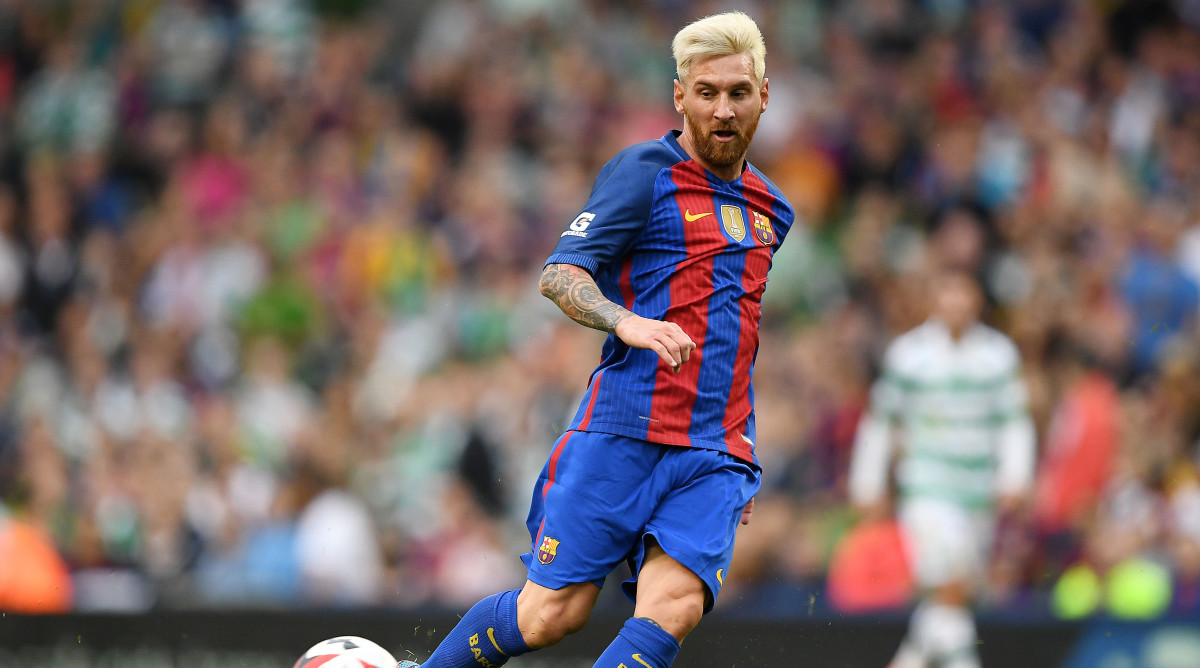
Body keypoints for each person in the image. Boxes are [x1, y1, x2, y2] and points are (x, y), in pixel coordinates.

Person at [399, 11, 793, 668]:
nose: (723, 110)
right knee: (551, 614)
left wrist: (741, 446)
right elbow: (560, 274)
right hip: (624, 428)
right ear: (680, 96)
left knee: (675, 608)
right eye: (707, 93)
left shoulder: (772, 209)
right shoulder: (643, 172)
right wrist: (623, 320)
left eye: (738, 92)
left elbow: (737, 331)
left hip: (714, 449)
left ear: (764, 95)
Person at [847, 269, 1036, 668]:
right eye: (948, 292)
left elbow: (1014, 421)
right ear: (934, 298)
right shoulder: (909, 354)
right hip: (927, 487)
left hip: (979, 491)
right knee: (948, 585)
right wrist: (867, 483)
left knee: (951, 594)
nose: (956, 302)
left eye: (963, 293)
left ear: (977, 299)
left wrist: (1015, 477)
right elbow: (881, 422)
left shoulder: (998, 354)